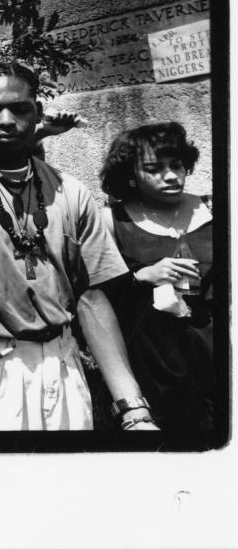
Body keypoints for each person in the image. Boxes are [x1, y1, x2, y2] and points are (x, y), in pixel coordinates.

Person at [0, 61, 157, 431]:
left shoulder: (71, 192)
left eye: (20, 108)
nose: (7, 120)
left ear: (38, 112)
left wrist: (132, 407)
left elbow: (90, 297)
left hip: (62, 363)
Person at [99, 122, 214, 435]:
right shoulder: (112, 220)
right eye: (154, 168)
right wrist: (141, 276)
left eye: (176, 165)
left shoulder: (213, 208)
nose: (171, 176)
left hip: (216, 353)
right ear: (131, 176)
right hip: (154, 360)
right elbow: (95, 299)